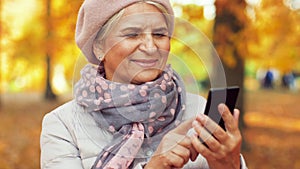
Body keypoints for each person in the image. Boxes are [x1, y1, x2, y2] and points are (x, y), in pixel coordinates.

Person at [40, 0, 248, 168]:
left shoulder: (201, 112)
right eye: (132, 34)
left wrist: (229, 165)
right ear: (99, 47)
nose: (150, 47)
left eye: (159, 34)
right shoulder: (63, 126)